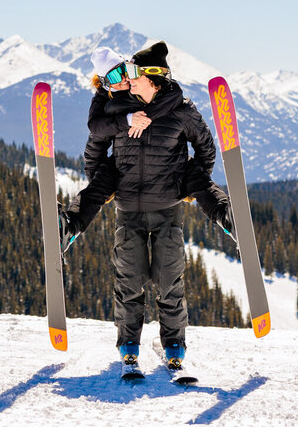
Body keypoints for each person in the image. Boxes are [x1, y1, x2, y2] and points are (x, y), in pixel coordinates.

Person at [60, 41, 233, 373]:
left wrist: (189, 183)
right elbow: (95, 135)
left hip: (167, 206)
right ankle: (67, 225)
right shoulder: (115, 104)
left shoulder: (177, 106)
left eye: (130, 75)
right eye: (116, 78)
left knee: (171, 282)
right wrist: (98, 176)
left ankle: (175, 344)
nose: (126, 82)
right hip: (127, 204)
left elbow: (204, 145)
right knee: (130, 280)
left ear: (148, 77)